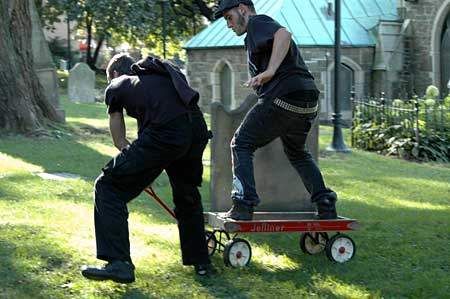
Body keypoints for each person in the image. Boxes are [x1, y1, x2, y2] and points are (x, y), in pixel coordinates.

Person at [81, 53, 216, 283]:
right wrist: (143, 169)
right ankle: (202, 263)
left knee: (108, 186)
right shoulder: (156, 80)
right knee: (187, 194)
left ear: (114, 74)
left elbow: (119, 140)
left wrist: (136, 169)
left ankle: (119, 263)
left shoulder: (117, 84)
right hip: (196, 129)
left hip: (168, 131)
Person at [214, 0, 338, 221]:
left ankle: (243, 204)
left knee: (241, 143)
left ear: (242, 9)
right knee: (297, 152)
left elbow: (283, 35)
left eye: (229, 18)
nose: (229, 25)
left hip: (283, 98)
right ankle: (325, 202)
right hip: (307, 100)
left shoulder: (257, 23)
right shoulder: (254, 34)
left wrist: (270, 71)